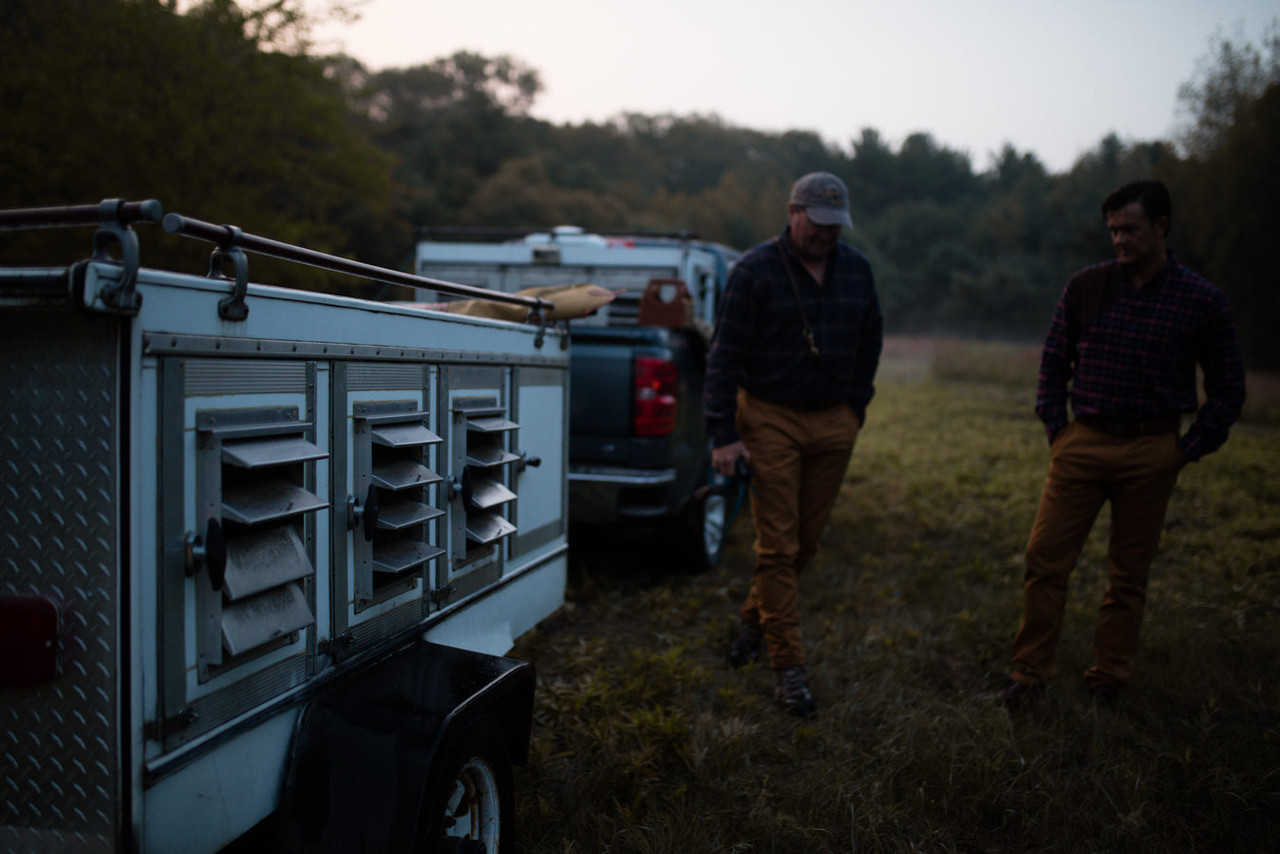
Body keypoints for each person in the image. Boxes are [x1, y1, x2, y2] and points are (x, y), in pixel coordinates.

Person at [999, 179, 1246, 707]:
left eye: (1130, 229)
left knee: (1128, 573)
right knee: (1044, 560)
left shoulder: (1201, 301)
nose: (1119, 240)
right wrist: (1056, 429)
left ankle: (1108, 680)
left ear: (1161, 226)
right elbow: (1053, 362)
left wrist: (1185, 450)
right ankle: (1028, 676)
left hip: (1152, 447)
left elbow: (1228, 389)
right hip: (1081, 442)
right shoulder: (1086, 286)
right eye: (1112, 230)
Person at [705, 171, 883, 716]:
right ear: (793, 212)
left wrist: (856, 407)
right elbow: (724, 354)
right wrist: (725, 436)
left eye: (835, 224)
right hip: (769, 419)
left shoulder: (856, 269)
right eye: (817, 221)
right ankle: (789, 669)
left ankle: (749, 622)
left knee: (804, 546)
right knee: (777, 548)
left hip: (833, 423)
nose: (826, 233)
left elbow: (870, 339)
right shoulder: (754, 269)